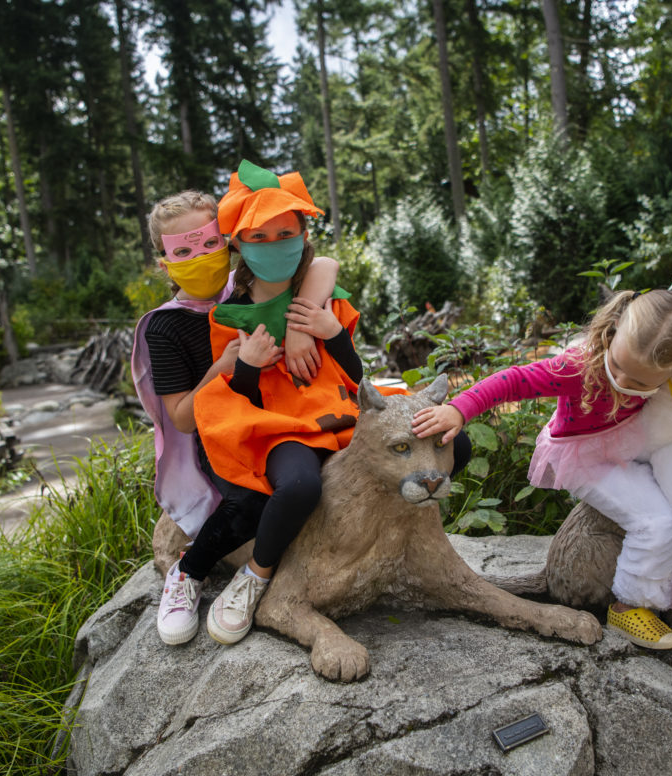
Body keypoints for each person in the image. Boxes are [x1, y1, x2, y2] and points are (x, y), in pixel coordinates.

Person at [193, 160, 469, 645]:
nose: (276, 245)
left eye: (286, 232)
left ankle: (393, 529)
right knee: (299, 486)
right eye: (259, 236)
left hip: (338, 416)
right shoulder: (231, 315)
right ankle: (256, 577)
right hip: (280, 426)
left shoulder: (323, 297)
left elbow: (356, 378)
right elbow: (243, 399)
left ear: (303, 232)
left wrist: (329, 332)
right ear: (237, 242)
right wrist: (252, 365)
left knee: (452, 443)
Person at [411, 288, 672, 650]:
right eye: (618, 365)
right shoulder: (579, 366)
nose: (621, 380)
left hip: (631, 446)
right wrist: (460, 409)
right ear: (614, 329)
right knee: (657, 522)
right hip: (586, 459)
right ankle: (631, 603)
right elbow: (514, 380)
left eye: (639, 383)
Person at [131, 188, 339, 646]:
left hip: (278, 420)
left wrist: (301, 325)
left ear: (230, 243)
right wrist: (225, 367)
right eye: (183, 250)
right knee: (254, 499)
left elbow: (322, 265)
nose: (200, 256)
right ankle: (189, 572)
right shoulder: (166, 327)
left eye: (209, 243)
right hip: (217, 434)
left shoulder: (247, 287)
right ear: (165, 263)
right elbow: (183, 419)